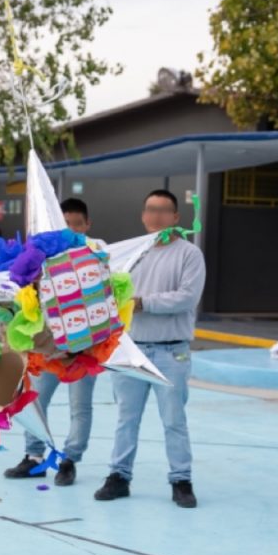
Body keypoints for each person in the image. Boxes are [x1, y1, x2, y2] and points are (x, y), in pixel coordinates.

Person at [94, 189, 205, 508]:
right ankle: (119, 476)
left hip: (172, 352)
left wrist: (145, 303)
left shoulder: (189, 254)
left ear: (175, 217)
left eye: (163, 210)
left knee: (173, 419)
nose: (155, 216)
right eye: (150, 210)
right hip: (130, 349)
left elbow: (188, 297)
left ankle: (181, 480)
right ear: (143, 215)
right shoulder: (131, 254)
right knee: (125, 418)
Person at [5, 197, 100, 486]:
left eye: (77, 225)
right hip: (47, 347)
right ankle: (34, 457)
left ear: (87, 225)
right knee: (33, 402)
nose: (71, 229)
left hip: (85, 348)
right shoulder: (42, 253)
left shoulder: (97, 252)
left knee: (80, 406)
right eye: (65, 224)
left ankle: (69, 460)